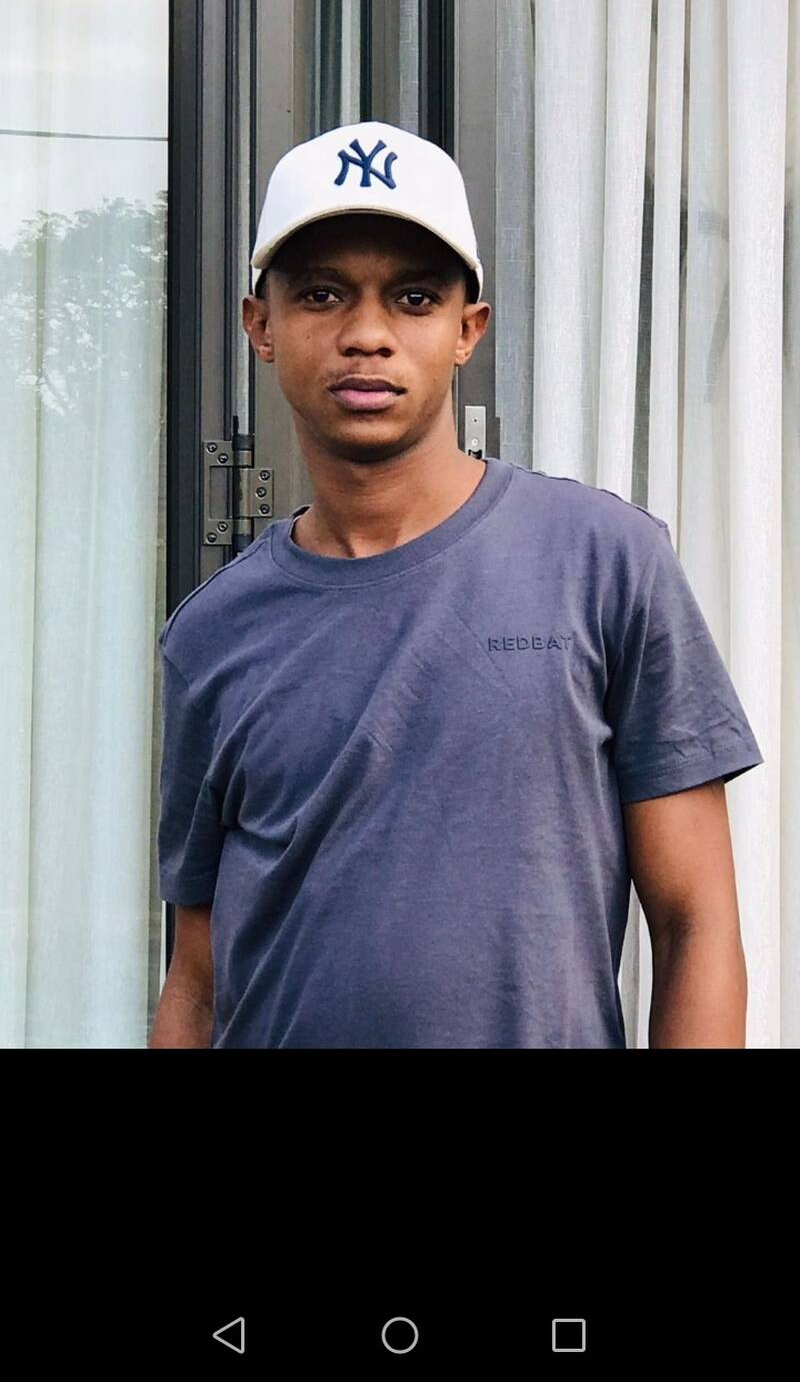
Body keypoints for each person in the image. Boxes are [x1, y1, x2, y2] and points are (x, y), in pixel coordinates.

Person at [149, 121, 764, 1050]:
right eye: (321, 293)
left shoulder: (606, 563)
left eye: (413, 297)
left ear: (467, 329)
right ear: (260, 325)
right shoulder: (213, 633)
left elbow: (697, 924)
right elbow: (197, 980)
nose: (367, 335)